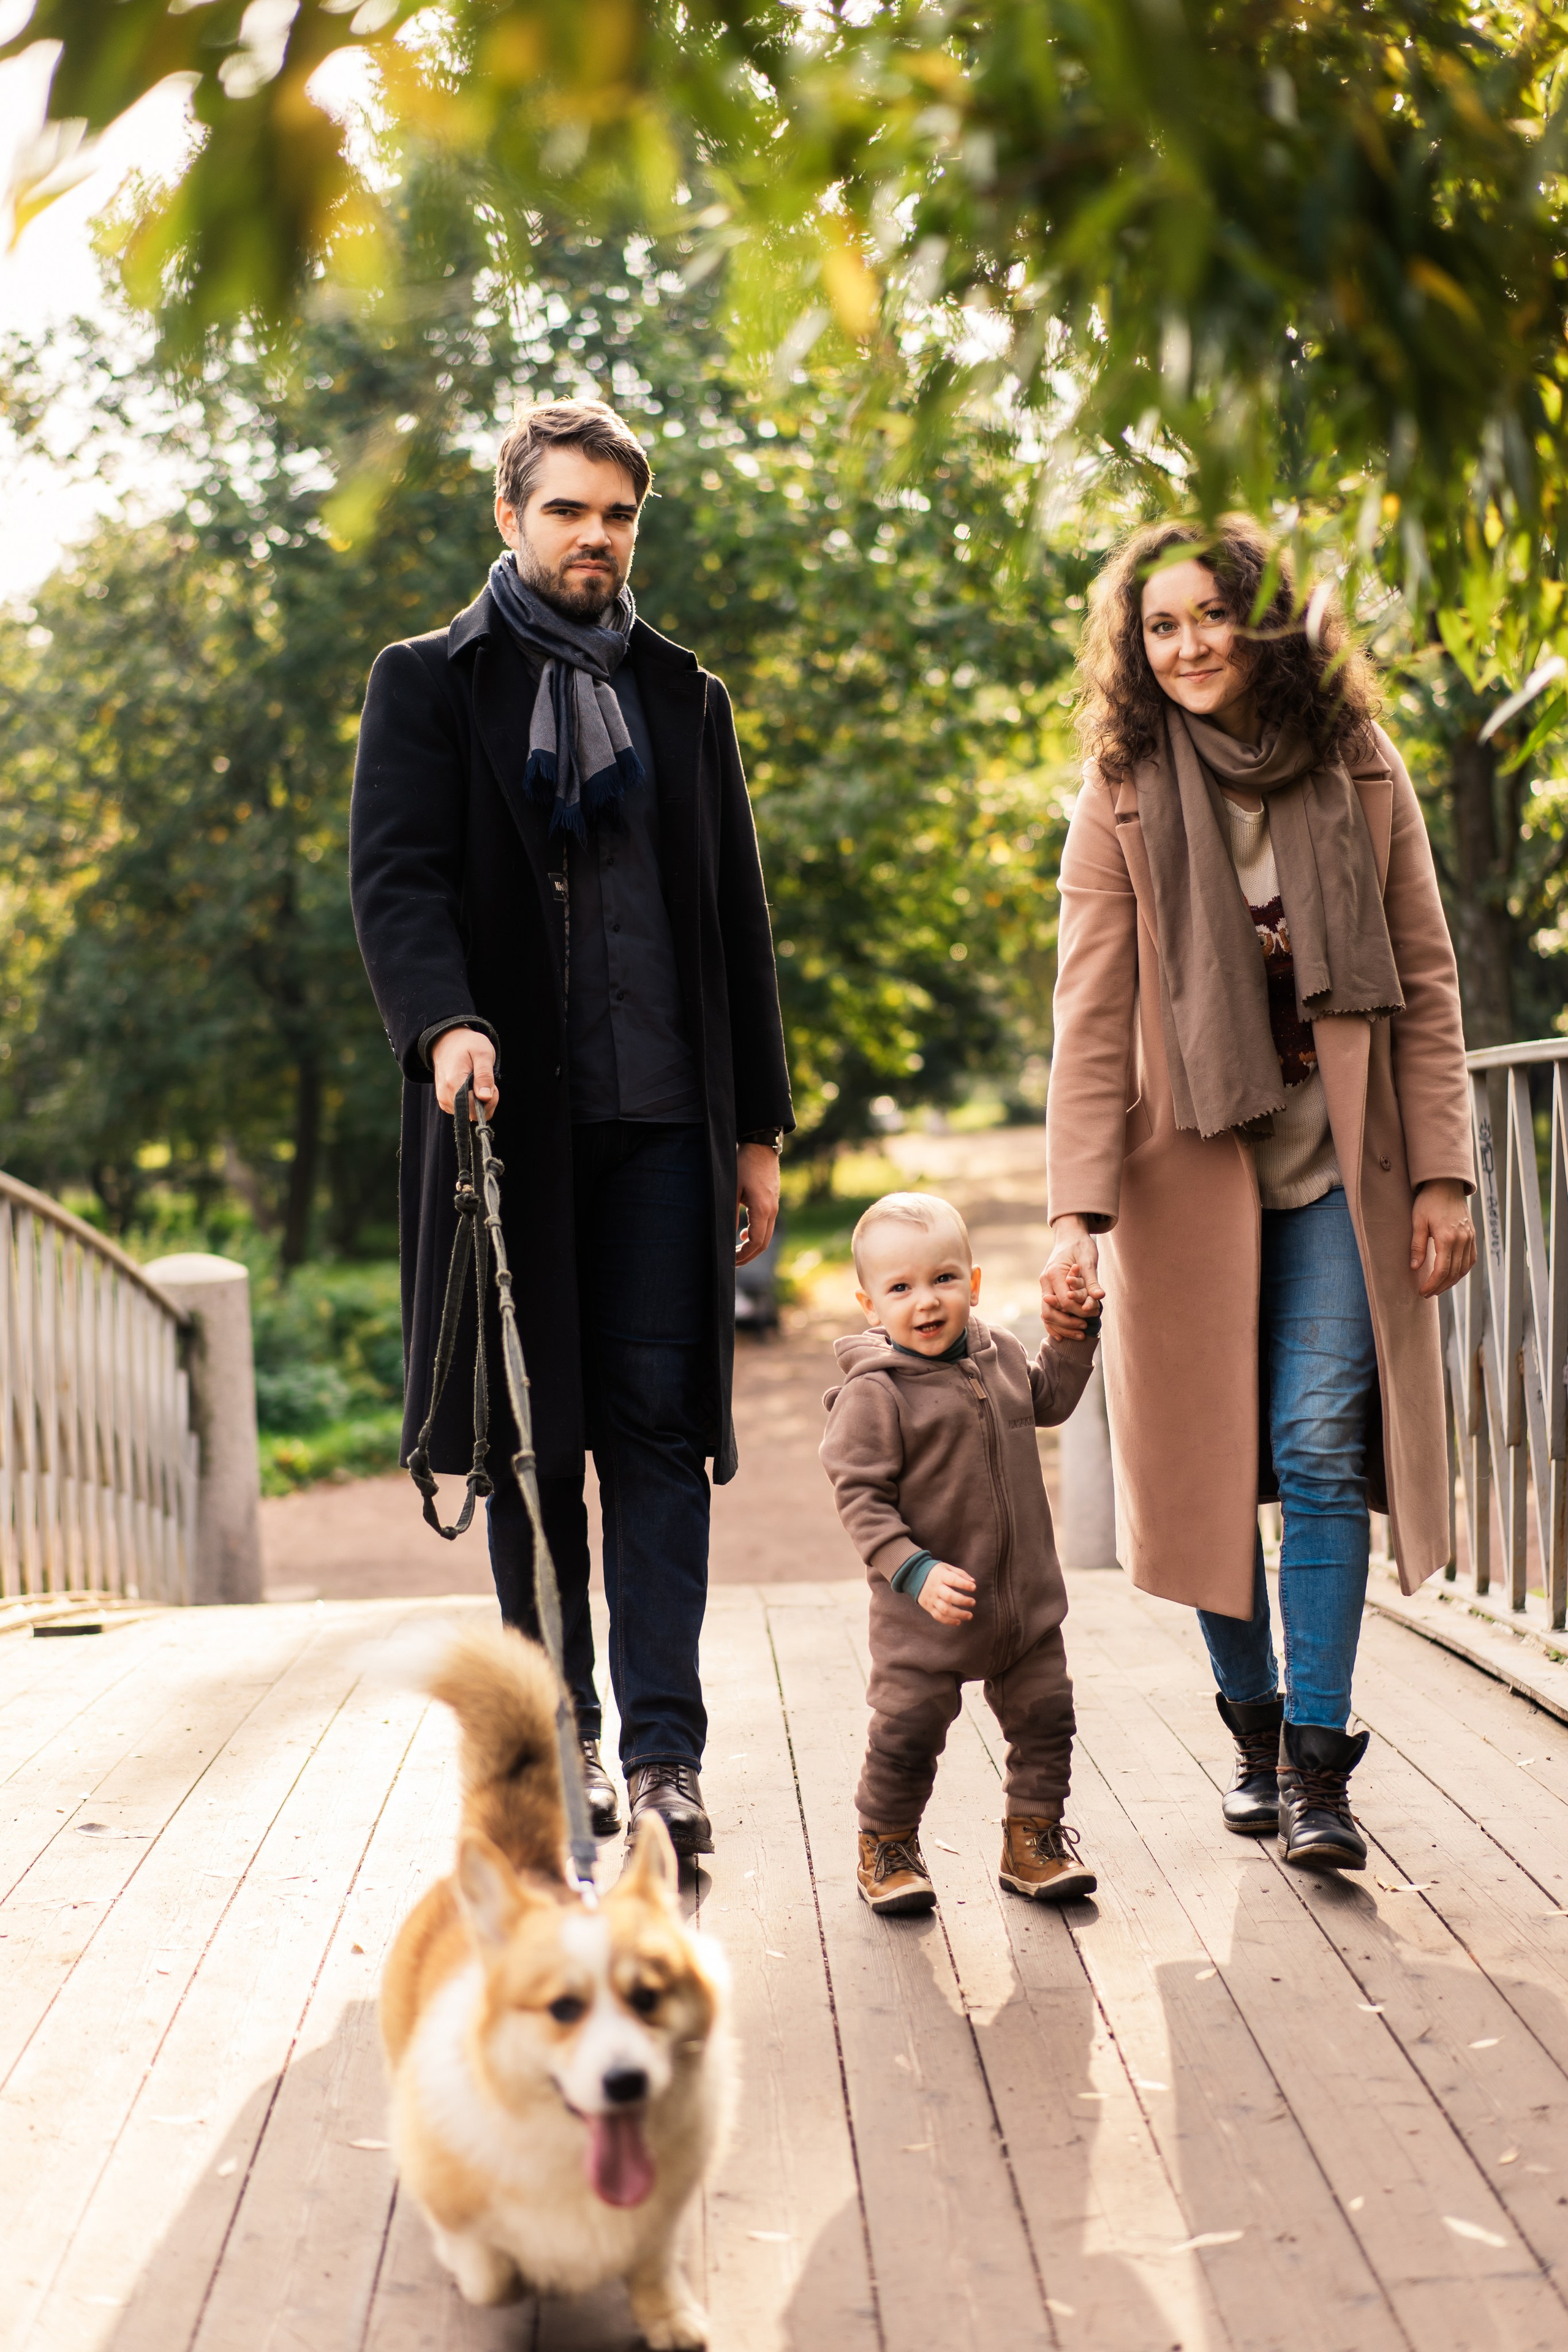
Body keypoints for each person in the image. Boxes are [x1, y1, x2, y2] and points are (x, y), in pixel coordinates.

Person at [350, 398, 793, 1858]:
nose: (596, 536)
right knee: (531, 1441)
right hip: (507, 1131)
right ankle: (566, 1736)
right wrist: (442, 1021)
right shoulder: (427, 685)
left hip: (670, 1120)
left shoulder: (685, 695)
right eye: (568, 511)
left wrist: (758, 1130)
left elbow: (735, 921)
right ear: (510, 517)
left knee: (661, 1441)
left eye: (618, 515)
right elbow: (398, 882)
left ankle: (665, 1751)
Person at [1041, 515, 1476, 1873]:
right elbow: (1091, 1015)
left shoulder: (1357, 764)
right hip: (1182, 1187)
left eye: (1205, 619)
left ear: (1261, 624)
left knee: (1317, 1452)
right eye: (1156, 627)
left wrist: (1448, 1170)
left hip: (1340, 1177)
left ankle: (1317, 1769)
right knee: (1206, 1473)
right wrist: (1074, 1210)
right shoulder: (1118, 791)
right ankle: (1249, 1725)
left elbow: (1426, 973)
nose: (1182, 648)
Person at [819, 1191, 1101, 1914]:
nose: (927, 1302)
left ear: (973, 1285)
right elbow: (860, 1500)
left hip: (1023, 1609)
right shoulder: (875, 1395)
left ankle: (1032, 1841)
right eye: (901, 1288)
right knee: (906, 1734)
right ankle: (886, 1844)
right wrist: (914, 1570)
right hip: (926, 1616)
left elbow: (1050, 1398)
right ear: (869, 1304)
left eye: (944, 1279)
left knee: (1047, 1718)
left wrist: (1071, 1336)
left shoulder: (999, 1352)